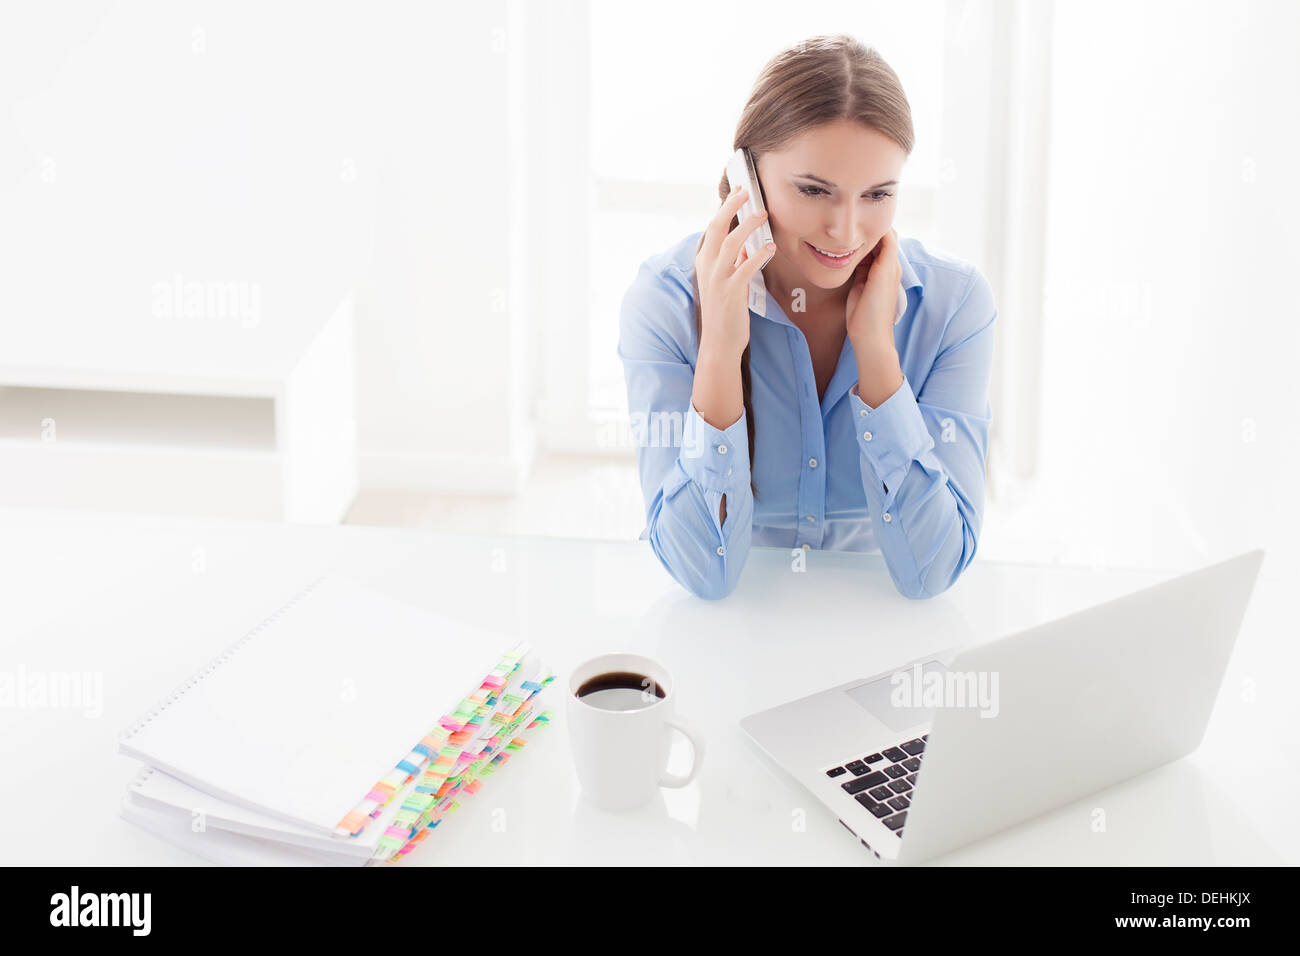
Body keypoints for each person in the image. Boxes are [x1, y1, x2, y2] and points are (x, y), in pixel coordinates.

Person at [617, 34, 997, 600]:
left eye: (876, 194)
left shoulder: (953, 307)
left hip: (876, 637)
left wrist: (877, 356)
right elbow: (703, 573)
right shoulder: (666, 301)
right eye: (814, 190)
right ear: (747, 177)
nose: (846, 232)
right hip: (737, 636)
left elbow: (933, 570)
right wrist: (719, 352)